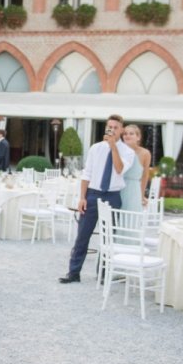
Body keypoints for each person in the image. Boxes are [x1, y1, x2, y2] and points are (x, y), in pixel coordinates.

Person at [59, 114, 136, 284]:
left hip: (113, 197)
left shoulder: (128, 152)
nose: (113, 130)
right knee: (82, 236)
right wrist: (82, 197)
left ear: (121, 130)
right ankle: (73, 273)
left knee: (108, 238)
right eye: (110, 127)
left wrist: (113, 147)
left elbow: (119, 169)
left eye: (116, 128)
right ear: (106, 128)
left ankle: (103, 274)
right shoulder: (96, 148)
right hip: (93, 195)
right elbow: (87, 174)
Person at [121, 124, 152, 212]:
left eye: (131, 134)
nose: (127, 136)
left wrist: (141, 195)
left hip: (134, 189)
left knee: (132, 216)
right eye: (125, 134)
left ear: (138, 137)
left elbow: (145, 175)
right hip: (118, 187)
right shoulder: (119, 150)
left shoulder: (145, 153)